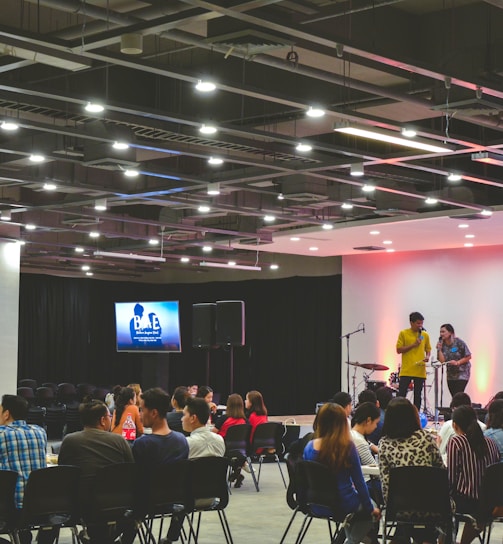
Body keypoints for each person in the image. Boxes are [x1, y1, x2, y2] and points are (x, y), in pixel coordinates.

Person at [58, 400, 134, 543]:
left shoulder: (70, 440)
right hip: (118, 503)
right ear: (102, 420)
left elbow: (63, 474)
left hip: (82, 506)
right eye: (109, 416)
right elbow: (130, 469)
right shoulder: (119, 441)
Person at [303, 403, 379, 544]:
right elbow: (359, 483)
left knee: (360, 513)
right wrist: (371, 509)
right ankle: (353, 541)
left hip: (316, 502)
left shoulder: (309, 447)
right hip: (342, 502)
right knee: (371, 508)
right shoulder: (347, 447)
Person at [378, 397, 444, 543]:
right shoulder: (426, 438)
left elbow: (385, 482)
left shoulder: (384, 444)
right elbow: (441, 472)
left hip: (399, 508)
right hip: (432, 506)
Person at [130, 388, 188, 544]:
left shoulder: (142, 444)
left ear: (154, 413)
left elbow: (134, 478)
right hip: (174, 501)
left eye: (142, 410)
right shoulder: (182, 440)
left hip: (145, 503)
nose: (140, 414)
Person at [0, 394, 51, 544]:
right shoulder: (40, 432)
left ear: (6, 413)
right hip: (40, 505)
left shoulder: (2, 434)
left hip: (11, 508)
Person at [447, 405, 500, 544]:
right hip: (488, 503)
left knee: (443, 502)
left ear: (454, 425)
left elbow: (451, 479)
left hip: (466, 502)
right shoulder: (491, 443)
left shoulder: (456, 442)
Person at [396, 311, 431, 410]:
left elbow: (428, 349)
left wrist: (427, 356)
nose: (420, 326)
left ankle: (416, 416)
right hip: (407, 369)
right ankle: (399, 413)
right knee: (402, 394)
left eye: (421, 323)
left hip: (420, 370)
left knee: (418, 396)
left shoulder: (424, 335)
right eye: (418, 323)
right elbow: (398, 350)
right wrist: (413, 345)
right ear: (411, 323)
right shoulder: (403, 333)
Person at [350, 402, 382, 505]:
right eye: (375, 423)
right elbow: (375, 471)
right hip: (367, 484)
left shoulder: (351, 434)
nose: (376, 427)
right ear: (368, 420)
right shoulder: (359, 442)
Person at [213, 393, 248, 487]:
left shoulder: (223, 418)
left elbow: (213, 433)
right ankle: (238, 470)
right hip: (241, 450)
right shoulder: (245, 420)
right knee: (234, 452)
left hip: (224, 448)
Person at [436, 324, 472, 396]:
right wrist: (439, 349)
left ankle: (462, 406)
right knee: (453, 395)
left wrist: (458, 362)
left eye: (443, 332)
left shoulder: (459, 342)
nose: (441, 334)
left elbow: (468, 356)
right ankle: (456, 407)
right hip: (450, 374)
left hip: (462, 372)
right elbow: (442, 361)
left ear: (450, 332)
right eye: (440, 332)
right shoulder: (442, 344)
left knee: (458, 393)